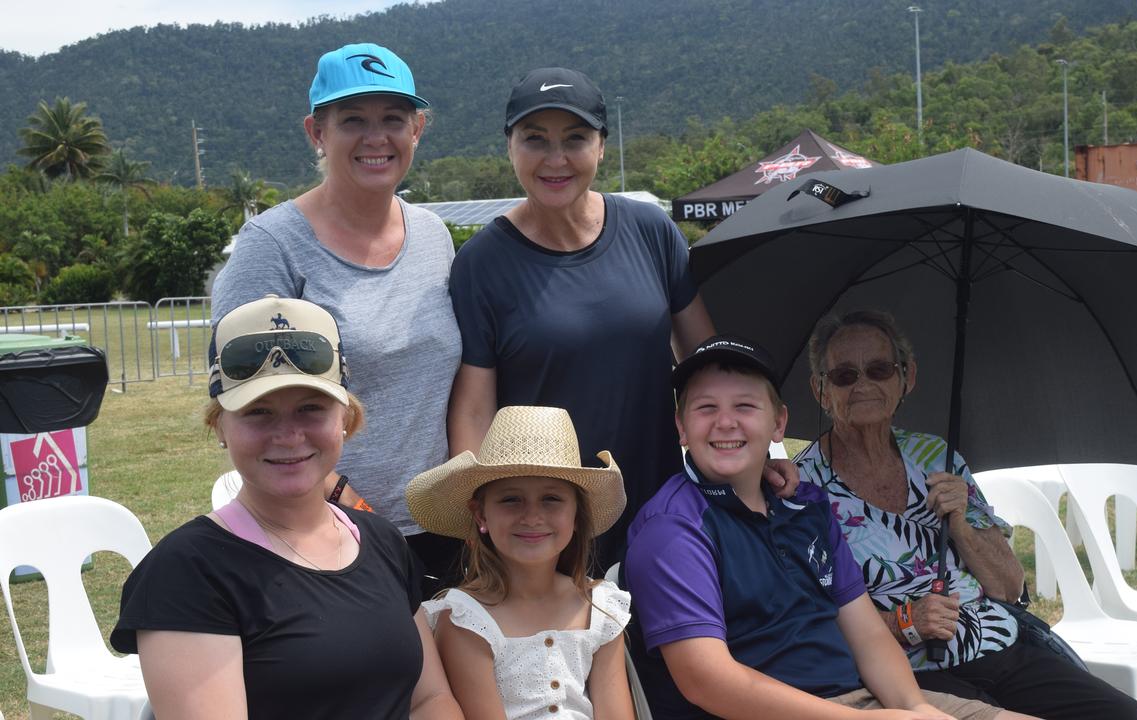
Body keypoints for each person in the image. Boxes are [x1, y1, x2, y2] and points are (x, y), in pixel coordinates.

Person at [447, 67, 793, 568]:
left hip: (665, 510)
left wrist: (768, 456)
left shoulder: (649, 230)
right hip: (544, 523)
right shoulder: (481, 262)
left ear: (603, 145)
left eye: (576, 138)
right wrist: (477, 520)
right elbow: (475, 408)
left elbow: (710, 366)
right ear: (509, 146)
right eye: (535, 139)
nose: (556, 158)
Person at [625, 336, 1034, 720]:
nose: (725, 423)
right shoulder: (673, 530)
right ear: (681, 428)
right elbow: (707, 682)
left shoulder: (804, 505)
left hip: (858, 701)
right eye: (705, 408)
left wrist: (912, 706)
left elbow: (867, 634)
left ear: (778, 423)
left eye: (745, 407)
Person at [110, 295, 463, 719]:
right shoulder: (186, 573)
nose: (288, 434)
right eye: (258, 412)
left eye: (310, 408)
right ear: (219, 425)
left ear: (346, 419)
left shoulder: (380, 539)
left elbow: (431, 699)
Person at [795, 310, 1137, 720]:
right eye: (844, 376)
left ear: (906, 378)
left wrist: (960, 523)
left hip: (998, 646)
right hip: (905, 672)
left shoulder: (935, 457)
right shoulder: (802, 486)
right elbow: (808, 616)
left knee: (1121, 714)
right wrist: (903, 621)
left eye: (879, 369)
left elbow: (1008, 586)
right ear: (820, 391)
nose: (863, 385)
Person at [211, 42, 463, 591]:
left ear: (417, 128)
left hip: (442, 528)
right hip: (323, 528)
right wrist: (345, 500)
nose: (377, 137)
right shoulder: (273, 245)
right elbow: (240, 399)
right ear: (316, 132)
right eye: (353, 120)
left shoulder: (433, 236)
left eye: (393, 119)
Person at [407, 405, 634, 720]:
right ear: (481, 514)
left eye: (551, 498)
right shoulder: (464, 619)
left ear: (577, 515)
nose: (532, 517)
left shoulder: (600, 606)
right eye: (511, 499)